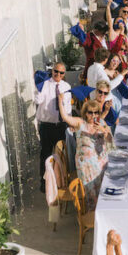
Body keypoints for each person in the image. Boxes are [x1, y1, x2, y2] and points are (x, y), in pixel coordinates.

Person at [60, 99, 114, 210]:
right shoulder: (80, 123)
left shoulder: (101, 123)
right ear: (85, 113)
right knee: (92, 166)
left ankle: (104, 206)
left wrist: (103, 131)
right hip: (86, 162)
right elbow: (65, 117)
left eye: (96, 112)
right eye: (90, 112)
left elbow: (110, 142)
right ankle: (93, 209)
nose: (93, 115)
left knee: (106, 169)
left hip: (100, 158)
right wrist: (60, 100)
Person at [37, 62, 71, 191]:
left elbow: (67, 108)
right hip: (47, 126)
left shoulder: (66, 86)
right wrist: (38, 89)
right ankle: (44, 182)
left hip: (61, 125)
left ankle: (60, 180)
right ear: (52, 71)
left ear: (64, 74)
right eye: (56, 71)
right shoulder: (45, 85)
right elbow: (38, 100)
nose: (58, 74)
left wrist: (70, 124)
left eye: (61, 73)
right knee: (45, 154)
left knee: (61, 154)